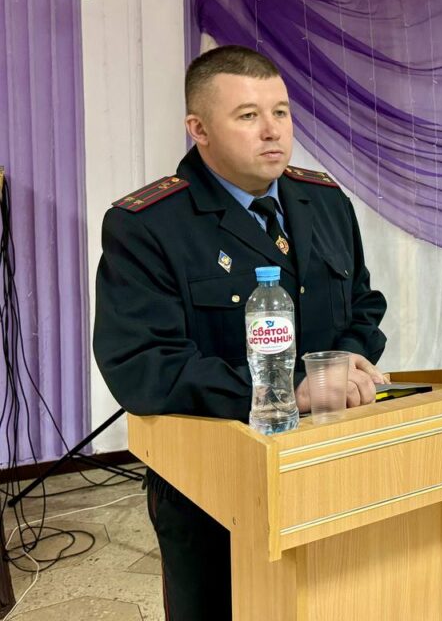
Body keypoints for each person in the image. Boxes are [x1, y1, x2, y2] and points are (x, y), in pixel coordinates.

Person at [93, 45, 388, 620]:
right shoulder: (149, 225)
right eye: (248, 116)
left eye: (281, 112)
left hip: (333, 461)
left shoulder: (325, 201)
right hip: (215, 484)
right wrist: (284, 391)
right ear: (199, 129)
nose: (272, 131)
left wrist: (343, 364)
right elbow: (144, 364)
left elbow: (363, 304)